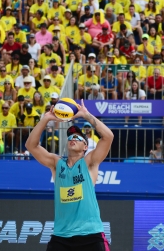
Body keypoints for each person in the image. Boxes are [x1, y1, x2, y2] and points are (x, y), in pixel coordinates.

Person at [26, 100, 113, 251]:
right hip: (61, 237)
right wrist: (46, 118)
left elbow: (108, 136)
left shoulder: (89, 162)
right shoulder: (56, 163)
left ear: (85, 146)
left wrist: (86, 115)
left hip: (91, 235)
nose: (73, 138)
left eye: (78, 137)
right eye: (71, 137)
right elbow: (31, 145)